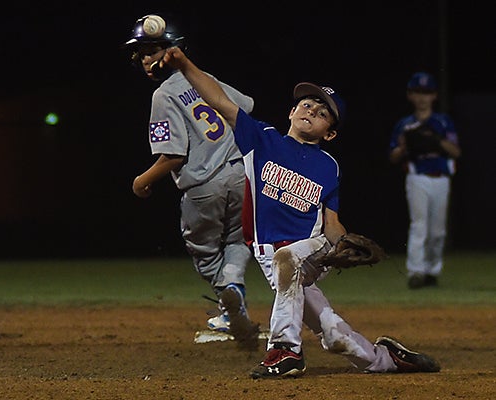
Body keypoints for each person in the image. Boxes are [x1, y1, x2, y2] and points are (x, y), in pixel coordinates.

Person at [158, 46, 441, 378]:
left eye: (323, 113)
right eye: (307, 103)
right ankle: (385, 358)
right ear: (291, 112)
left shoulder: (328, 166)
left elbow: (331, 223)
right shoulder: (261, 140)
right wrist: (183, 65)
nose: (312, 109)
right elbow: (218, 100)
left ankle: (284, 351)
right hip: (269, 257)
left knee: (288, 259)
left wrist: (343, 243)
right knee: (334, 335)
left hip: (309, 249)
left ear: (330, 133)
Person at [121, 14, 258, 342]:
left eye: (151, 51)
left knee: (204, 249)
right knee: (240, 239)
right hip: (241, 174)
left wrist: (142, 181)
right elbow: (246, 107)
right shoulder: (202, 77)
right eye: (141, 53)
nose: (144, 59)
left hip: (202, 185)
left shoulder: (162, 95)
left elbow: (174, 155)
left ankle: (229, 301)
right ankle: (235, 286)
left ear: (172, 50)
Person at [389, 72, 461, 289]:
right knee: (419, 226)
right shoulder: (405, 124)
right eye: (418, 92)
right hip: (417, 177)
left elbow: (456, 152)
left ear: (434, 96)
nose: (422, 97)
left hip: (441, 179)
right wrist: (404, 146)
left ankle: (432, 270)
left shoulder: (442, 122)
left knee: (438, 231)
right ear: (410, 95)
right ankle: (416, 272)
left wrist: (434, 139)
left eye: (426, 93)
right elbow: (393, 156)